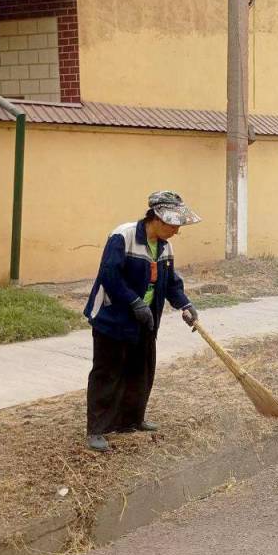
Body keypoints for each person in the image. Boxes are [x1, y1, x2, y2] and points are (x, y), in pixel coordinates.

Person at [83, 191, 201, 452]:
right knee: (108, 372)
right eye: (174, 225)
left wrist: (184, 303)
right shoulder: (123, 236)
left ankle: (130, 420)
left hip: (145, 320)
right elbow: (109, 276)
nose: (177, 231)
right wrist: (134, 302)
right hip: (113, 318)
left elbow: (170, 283)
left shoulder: (165, 245)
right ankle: (96, 430)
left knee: (140, 370)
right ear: (157, 218)